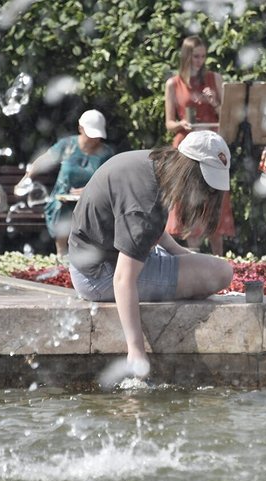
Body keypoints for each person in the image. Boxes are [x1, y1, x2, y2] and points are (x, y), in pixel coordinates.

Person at [68, 130, 234, 377]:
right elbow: (123, 280)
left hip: (91, 260)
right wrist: (135, 350)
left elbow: (143, 229)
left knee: (204, 265)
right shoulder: (146, 199)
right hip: (99, 275)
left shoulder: (152, 164)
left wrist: (177, 252)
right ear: (190, 170)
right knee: (221, 272)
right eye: (205, 184)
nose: (206, 194)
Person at [163, 35, 234, 256]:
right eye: (195, 56)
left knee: (215, 198)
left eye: (203, 56)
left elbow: (228, 116)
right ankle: (193, 256)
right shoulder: (173, 83)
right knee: (189, 199)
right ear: (186, 56)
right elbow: (168, 123)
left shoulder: (214, 78)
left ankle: (219, 258)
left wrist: (214, 102)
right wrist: (180, 124)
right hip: (186, 145)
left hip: (211, 144)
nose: (200, 61)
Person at [24, 109, 114, 257]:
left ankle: (87, 257)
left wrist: (91, 189)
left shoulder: (106, 153)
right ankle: (62, 254)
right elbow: (45, 159)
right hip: (63, 197)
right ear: (80, 129)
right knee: (63, 208)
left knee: (96, 210)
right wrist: (29, 176)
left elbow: (110, 181)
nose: (94, 139)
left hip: (93, 200)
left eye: (97, 136)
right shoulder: (67, 145)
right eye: (90, 134)